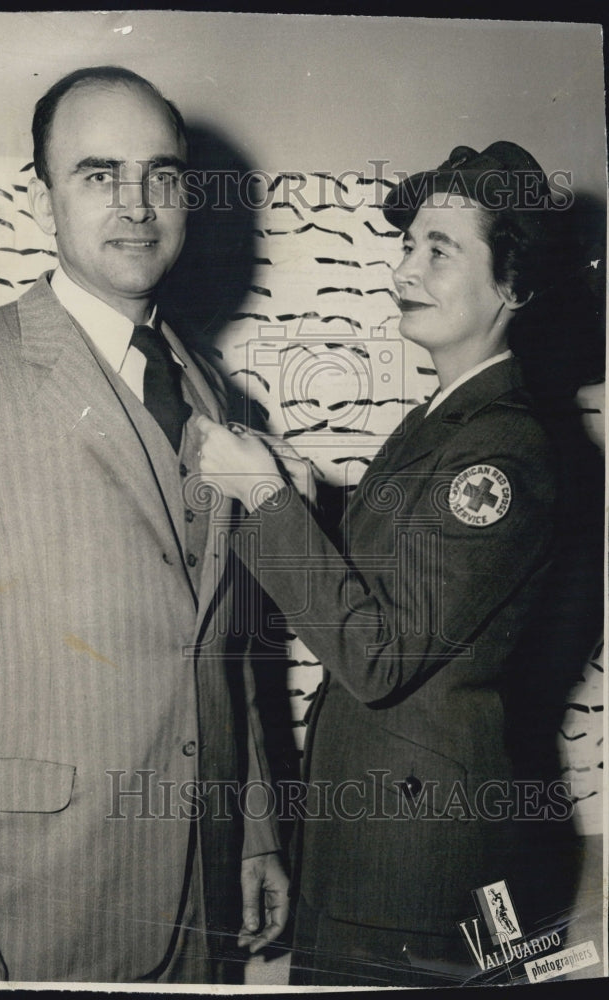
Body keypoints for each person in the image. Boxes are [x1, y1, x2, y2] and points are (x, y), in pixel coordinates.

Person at [0, 66, 288, 984]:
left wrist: (249, 835)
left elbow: (221, 640)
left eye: (160, 175)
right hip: (32, 904)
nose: (136, 204)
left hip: (203, 896)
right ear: (42, 192)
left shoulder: (213, 389)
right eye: (98, 174)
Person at [196, 142, 602, 986]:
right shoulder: (443, 422)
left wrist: (268, 504)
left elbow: (380, 655)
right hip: (382, 829)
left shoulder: (504, 447)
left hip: (417, 863)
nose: (403, 269)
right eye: (407, 245)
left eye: (439, 249)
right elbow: (415, 577)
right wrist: (308, 501)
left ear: (514, 287)